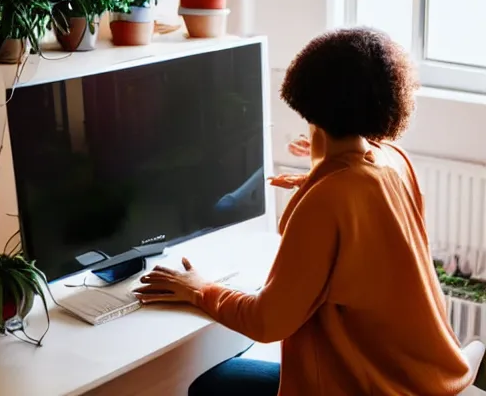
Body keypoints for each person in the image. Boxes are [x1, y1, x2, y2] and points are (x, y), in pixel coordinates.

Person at [134, 27, 473, 395]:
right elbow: (358, 195)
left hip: (368, 387)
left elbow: (267, 323)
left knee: (211, 384)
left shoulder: (327, 201)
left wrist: (201, 290)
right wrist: (315, 171)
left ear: (308, 99)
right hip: (420, 382)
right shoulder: (394, 160)